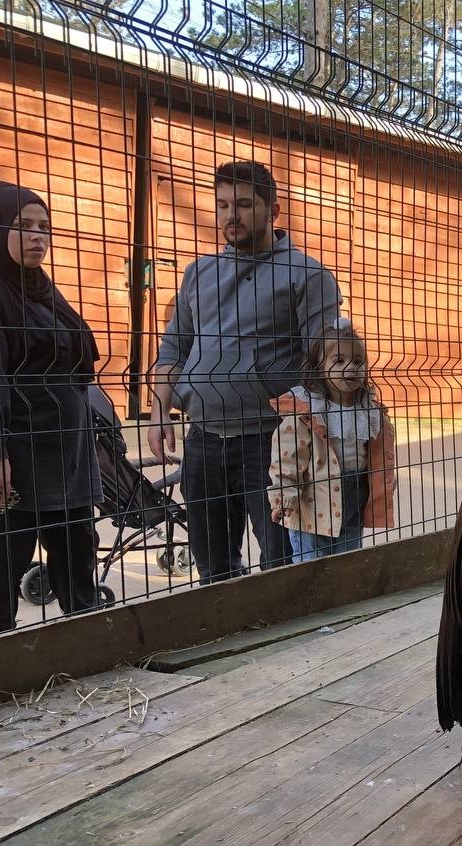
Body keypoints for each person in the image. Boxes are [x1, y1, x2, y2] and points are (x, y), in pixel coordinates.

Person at [148, 161, 342, 584]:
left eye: (243, 204)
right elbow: (172, 349)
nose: (230, 215)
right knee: (213, 568)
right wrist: (160, 410)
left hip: (270, 442)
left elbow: (323, 362)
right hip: (203, 441)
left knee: (279, 564)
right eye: (221, 205)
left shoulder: (307, 275)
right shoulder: (197, 273)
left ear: (273, 210)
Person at [0, 183, 102, 632]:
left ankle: (88, 647)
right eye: (23, 227)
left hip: (67, 453)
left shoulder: (43, 292)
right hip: (18, 456)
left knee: (78, 555)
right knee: (1, 567)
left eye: (44, 228)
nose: (38, 237)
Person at [268, 325, 396, 560]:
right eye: (339, 361)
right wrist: (283, 497)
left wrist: (384, 484)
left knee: (347, 562)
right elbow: (287, 457)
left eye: (358, 361)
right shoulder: (308, 409)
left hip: (354, 496)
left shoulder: (367, 409)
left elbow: (377, 456)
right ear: (320, 368)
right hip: (312, 503)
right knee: (312, 566)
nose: (350, 368)